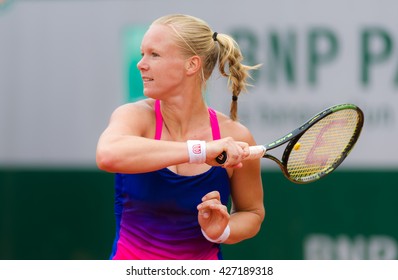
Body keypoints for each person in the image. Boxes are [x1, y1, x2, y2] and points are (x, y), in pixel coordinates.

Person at [96, 14, 265, 260]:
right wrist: (200, 151)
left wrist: (221, 231)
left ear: (191, 65)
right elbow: (107, 154)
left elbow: (252, 213)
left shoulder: (235, 135)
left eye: (154, 54)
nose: (141, 64)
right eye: (142, 53)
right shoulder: (135, 117)